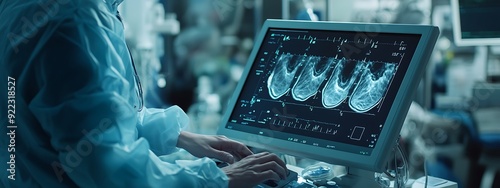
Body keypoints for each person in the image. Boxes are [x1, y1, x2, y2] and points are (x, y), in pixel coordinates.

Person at [0, 0, 287, 187]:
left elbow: (82, 117)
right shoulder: (78, 21)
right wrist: (217, 178)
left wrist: (180, 137)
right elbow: (109, 169)